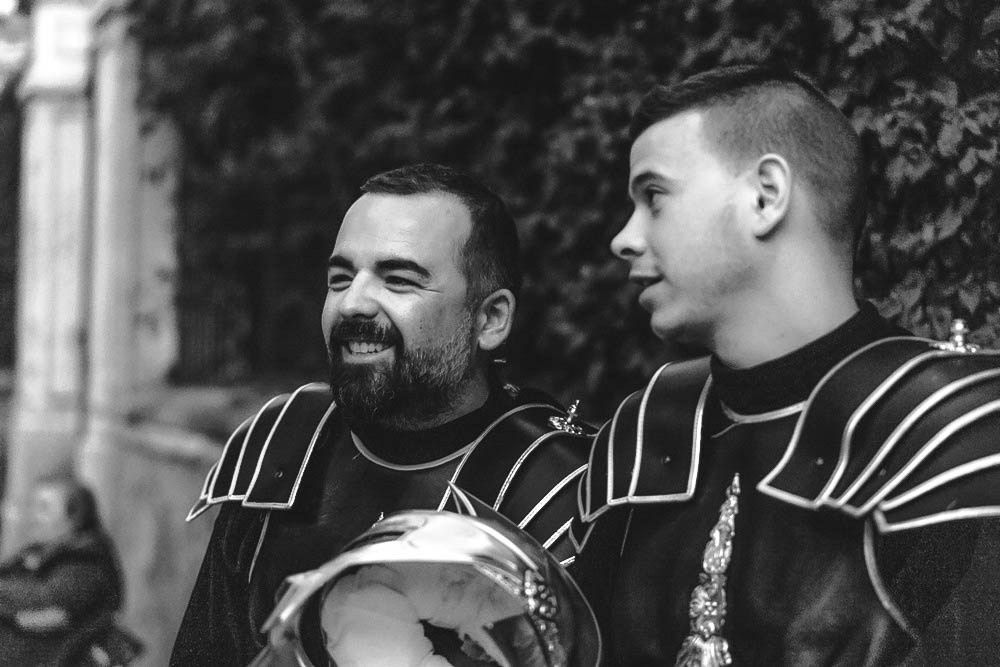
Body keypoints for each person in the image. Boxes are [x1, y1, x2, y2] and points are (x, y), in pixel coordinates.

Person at [570, 64, 1000, 665]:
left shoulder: (957, 437)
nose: (624, 238)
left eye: (654, 197)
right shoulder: (642, 433)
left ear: (766, 196)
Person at [171, 163, 594, 666]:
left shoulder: (562, 491)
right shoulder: (282, 451)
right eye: (340, 277)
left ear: (490, 319)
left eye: (398, 280)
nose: (352, 304)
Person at [0, 477, 136, 666]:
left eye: (43, 508)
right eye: (32, 506)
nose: (32, 516)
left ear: (74, 517)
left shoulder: (89, 564)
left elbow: (41, 601)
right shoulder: (35, 553)